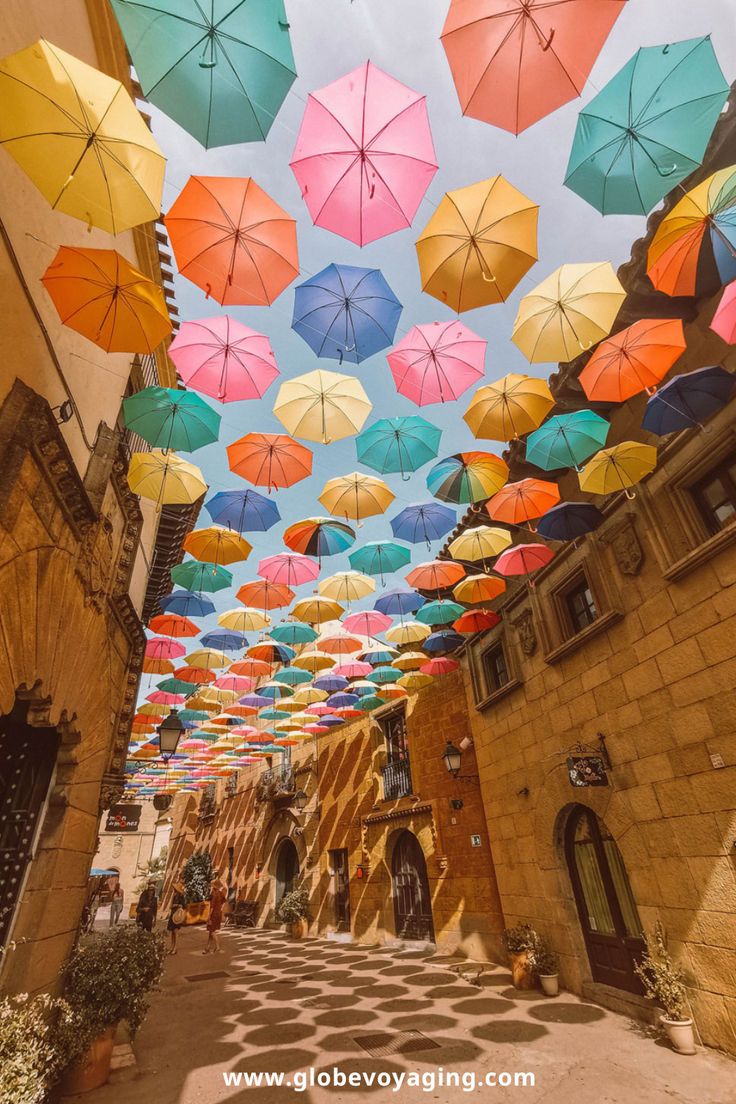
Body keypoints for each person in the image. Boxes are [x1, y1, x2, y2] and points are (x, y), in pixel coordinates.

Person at [203, 881, 225, 954]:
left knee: (212, 931)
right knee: (211, 931)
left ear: (214, 887)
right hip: (218, 913)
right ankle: (207, 947)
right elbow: (224, 901)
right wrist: (220, 908)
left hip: (214, 914)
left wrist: (209, 916)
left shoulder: (214, 895)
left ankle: (217, 946)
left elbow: (212, 907)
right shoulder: (221, 893)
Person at [167, 879, 186, 955]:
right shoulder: (174, 897)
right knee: (172, 932)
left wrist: (177, 905)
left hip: (177, 915)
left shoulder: (181, 897)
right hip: (173, 914)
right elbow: (170, 906)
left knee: (175, 931)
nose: (174, 890)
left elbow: (183, 906)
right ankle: (172, 946)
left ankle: (175, 947)